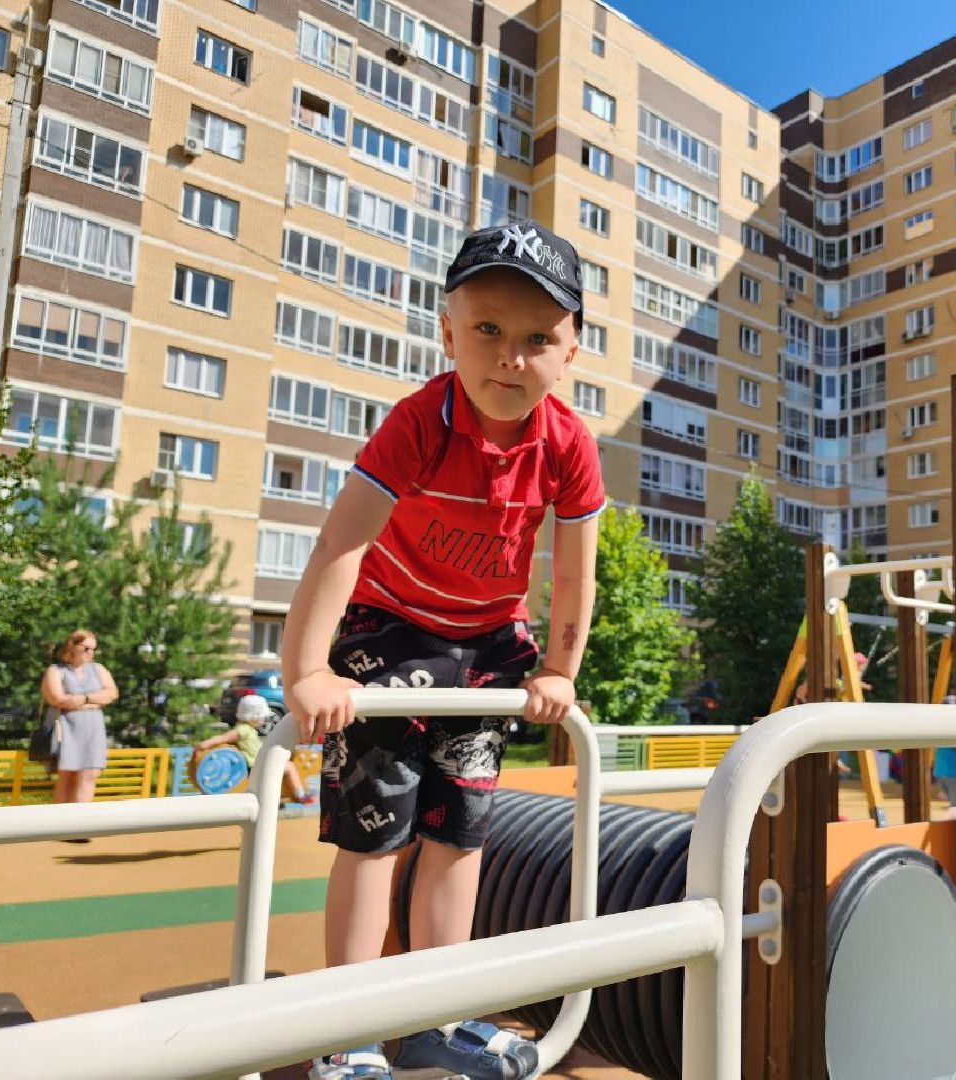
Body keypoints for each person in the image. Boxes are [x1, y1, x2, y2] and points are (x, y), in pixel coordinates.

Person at [281, 220, 604, 1080]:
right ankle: (346, 1029)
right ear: (448, 331)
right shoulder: (420, 423)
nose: (512, 356)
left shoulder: (568, 445)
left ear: (571, 350)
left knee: (459, 839)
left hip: (489, 646)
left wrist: (560, 669)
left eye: (539, 338)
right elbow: (339, 547)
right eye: (489, 330)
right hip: (389, 633)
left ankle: (438, 1017)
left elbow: (575, 577)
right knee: (375, 837)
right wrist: (306, 670)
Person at [40, 630, 118, 831]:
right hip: (67, 727)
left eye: (93, 648)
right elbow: (56, 698)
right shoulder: (56, 670)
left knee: (90, 773)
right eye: (86, 648)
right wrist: (94, 699)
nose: (90, 652)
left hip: (93, 728)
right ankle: (59, 825)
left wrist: (82, 699)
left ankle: (79, 825)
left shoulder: (98, 669)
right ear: (72, 646)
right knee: (68, 774)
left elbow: (111, 693)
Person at [194, 695, 315, 804]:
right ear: (253, 716)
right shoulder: (243, 730)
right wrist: (204, 744)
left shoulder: (249, 729)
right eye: (261, 717)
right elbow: (225, 737)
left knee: (286, 767)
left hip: (258, 764)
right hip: (256, 765)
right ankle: (300, 794)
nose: (263, 720)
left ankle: (289, 794)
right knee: (289, 766)